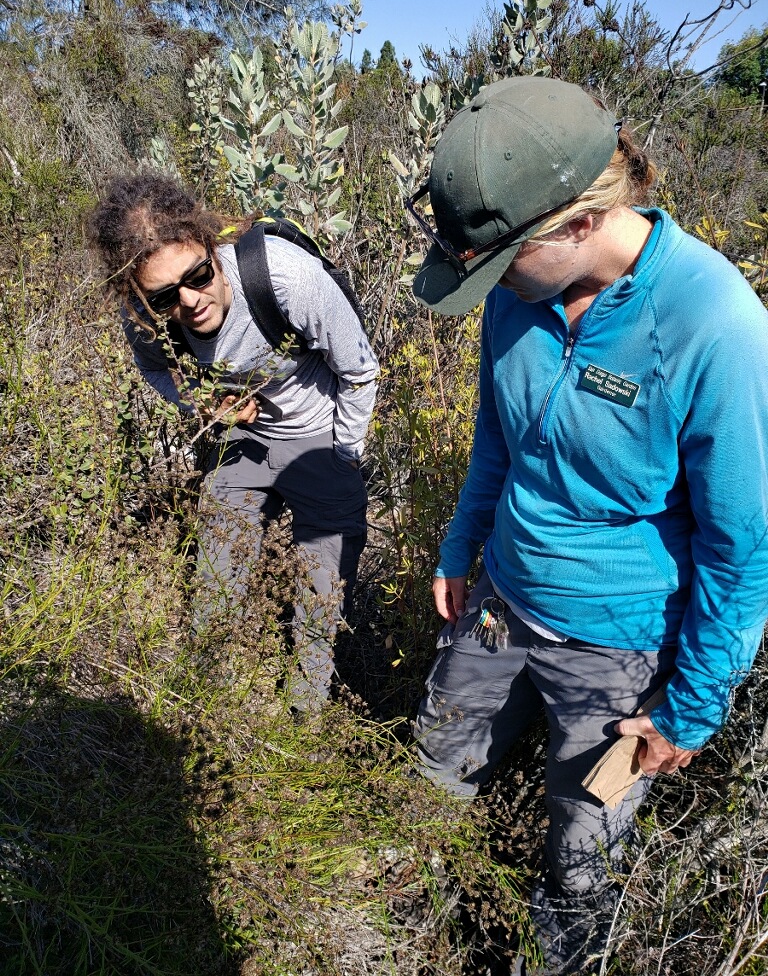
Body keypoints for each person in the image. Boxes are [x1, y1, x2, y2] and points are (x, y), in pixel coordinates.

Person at [405, 77, 768, 974]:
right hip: (500, 600)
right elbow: (498, 437)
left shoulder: (714, 324)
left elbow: (742, 547)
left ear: (576, 222)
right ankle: (412, 931)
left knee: (579, 857)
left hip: (617, 651)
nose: (489, 288)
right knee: (427, 782)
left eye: (499, 265)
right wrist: (462, 544)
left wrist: (690, 709)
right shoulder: (515, 294)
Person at [88, 172, 379, 712]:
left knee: (321, 597)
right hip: (244, 442)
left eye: (198, 275)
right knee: (216, 579)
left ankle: (303, 724)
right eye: (165, 296)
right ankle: (205, 703)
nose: (190, 302)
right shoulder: (148, 319)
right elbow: (157, 371)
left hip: (320, 436)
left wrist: (342, 456)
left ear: (209, 244)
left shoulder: (285, 277)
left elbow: (360, 370)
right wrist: (202, 402)